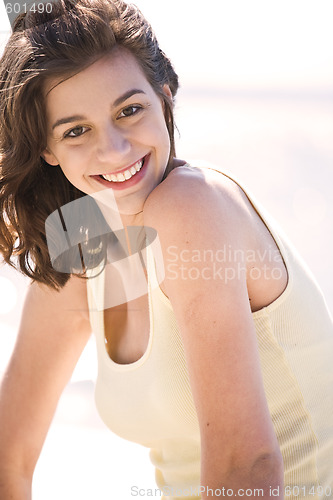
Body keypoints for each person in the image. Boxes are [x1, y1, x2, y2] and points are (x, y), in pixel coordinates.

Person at [0, 0, 332, 498]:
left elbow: (249, 466)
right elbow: (10, 454)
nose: (114, 150)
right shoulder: (85, 237)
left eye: (129, 110)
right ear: (47, 149)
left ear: (164, 96)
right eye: (76, 130)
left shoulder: (191, 205)